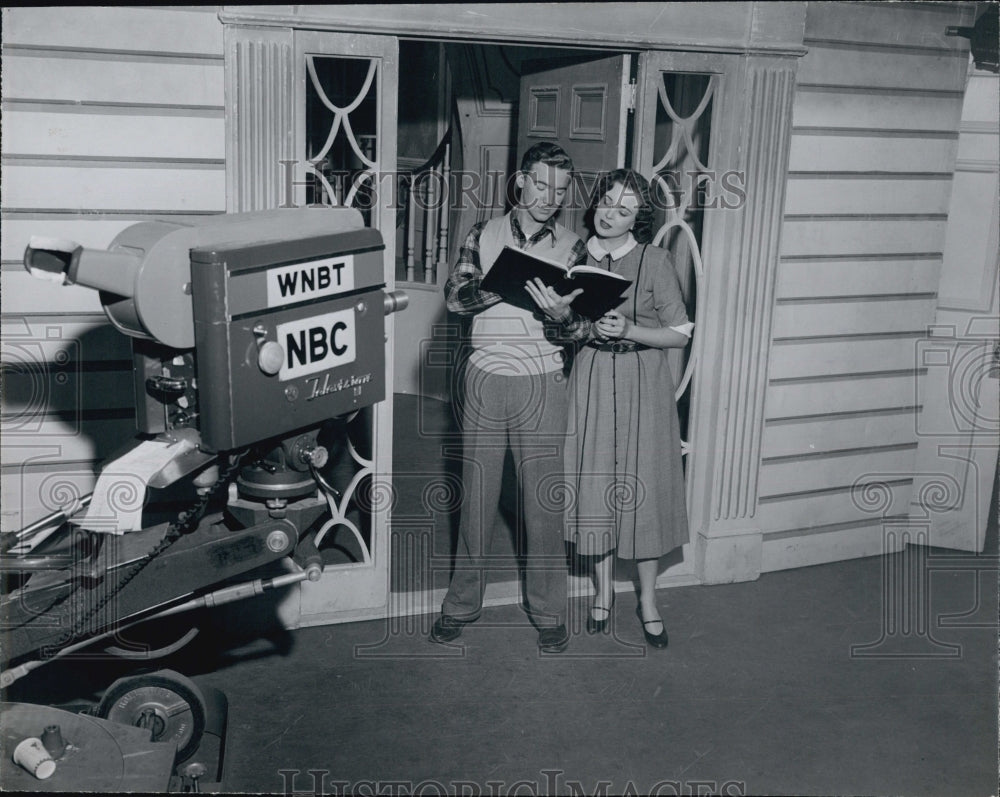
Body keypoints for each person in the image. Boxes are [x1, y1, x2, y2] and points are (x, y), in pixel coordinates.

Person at [430, 141, 589, 653]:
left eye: (560, 189)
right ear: (520, 181)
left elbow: (580, 330)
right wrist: (506, 282)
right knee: (475, 495)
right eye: (541, 184)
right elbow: (455, 298)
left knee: (542, 501)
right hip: (485, 377)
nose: (550, 197)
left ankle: (547, 610)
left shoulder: (574, 246)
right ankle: (461, 604)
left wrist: (563, 318)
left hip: (542, 380)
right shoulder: (483, 233)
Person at [552, 168, 692, 649]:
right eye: (606, 202)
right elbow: (562, 324)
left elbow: (679, 332)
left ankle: (648, 601)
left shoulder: (655, 260)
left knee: (644, 492)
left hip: (642, 380)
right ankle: (602, 593)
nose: (610, 214)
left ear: (640, 218)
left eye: (624, 209)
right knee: (597, 489)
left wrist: (630, 330)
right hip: (590, 376)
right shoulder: (573, 256)